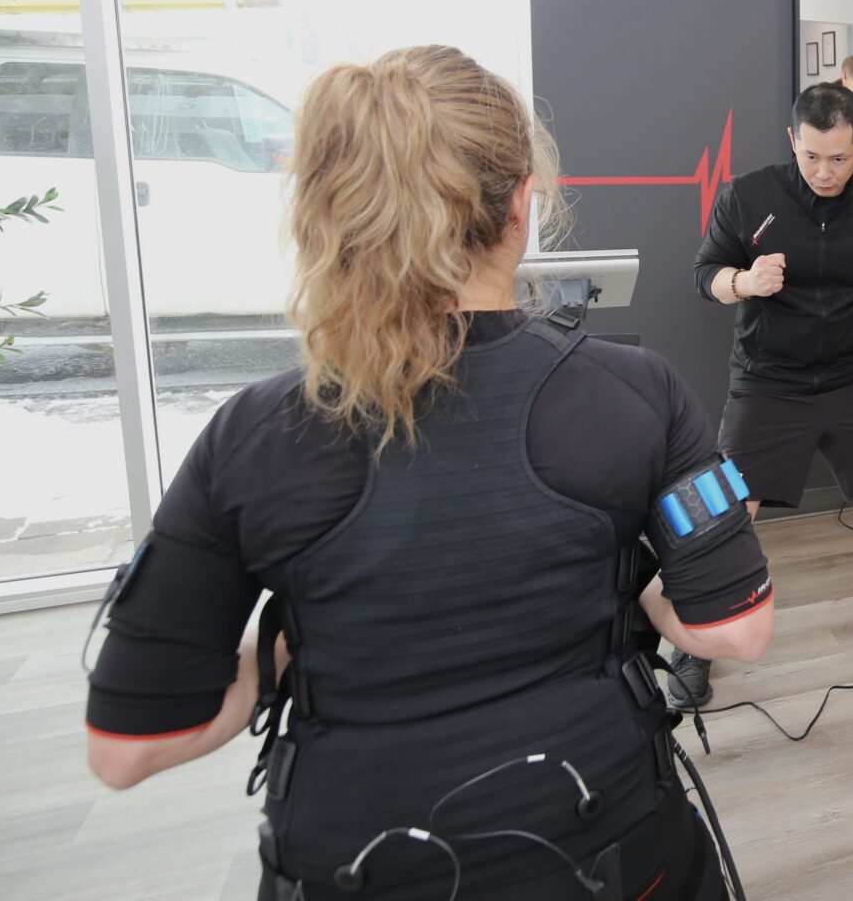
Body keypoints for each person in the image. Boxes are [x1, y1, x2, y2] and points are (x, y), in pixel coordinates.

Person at [84, 46, 774, 901]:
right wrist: (620, 583)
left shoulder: (253, 436)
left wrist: (287, 651)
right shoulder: (635, 391)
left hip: (352, 865)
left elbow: (129, 747)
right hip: (620, 856)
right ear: (524, 201)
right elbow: (734, 631)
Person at [674, 82, 853, 707]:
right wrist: (745, 281)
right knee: (731, 513)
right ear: (792, 141)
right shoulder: (749, 194)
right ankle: (692, 643)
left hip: (849, 372)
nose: (824, 171)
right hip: (769, 377)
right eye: (811, 156)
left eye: (839, 157)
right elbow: (705, 275)